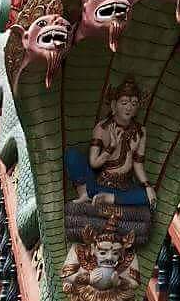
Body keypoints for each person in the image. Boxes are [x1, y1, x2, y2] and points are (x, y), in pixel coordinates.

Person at [65, 80, 156, 208]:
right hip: (99, 183)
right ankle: (84, 194)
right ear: (114, 105)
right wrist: (111, 146)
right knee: (72, 155)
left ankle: (109, 198)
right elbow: (94, 163)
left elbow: (138, 163)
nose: (129, 108)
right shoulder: (102, 128)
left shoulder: (140, 131)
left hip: (123, 187)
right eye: (124, 103)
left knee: (147, 196)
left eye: (134, 103)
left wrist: (147, 185)